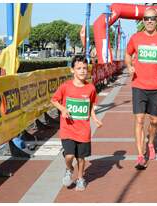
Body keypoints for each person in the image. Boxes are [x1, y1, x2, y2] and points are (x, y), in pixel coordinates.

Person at [125, 8, 157, 169]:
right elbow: (128, 54)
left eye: (153, 18)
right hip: (139, 85)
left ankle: (151, 143)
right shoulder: (136, 38)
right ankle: (140, 156)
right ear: (143, 21)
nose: (149, 21)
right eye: (147, 18)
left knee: (153, 120)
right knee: (139, 119)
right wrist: (128, 66)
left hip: (156, 86)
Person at [51, 55, 103, 191]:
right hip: (67, 129)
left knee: (81, 157)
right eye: (79, 68)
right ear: (72, 70)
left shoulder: (91, 88)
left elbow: (91, 105)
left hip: (83, 130)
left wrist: (95, 118)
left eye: (85, 68)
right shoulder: (65, 87)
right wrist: (63, 109)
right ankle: (69, 168)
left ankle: (80, 178)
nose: (82, 71)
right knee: (69, 155)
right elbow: (54, 100)